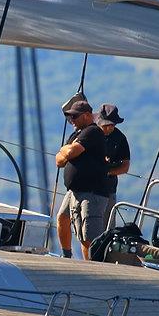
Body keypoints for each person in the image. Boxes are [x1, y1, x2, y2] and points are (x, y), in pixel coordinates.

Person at [55, 100, 109, 260]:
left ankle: (91, 266)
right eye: (69, 117)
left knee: (88, 234)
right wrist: (66, 151)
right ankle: (67, 256)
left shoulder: (92, 132)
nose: (71, 120)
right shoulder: (76, 134)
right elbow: (59, 161)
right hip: (74, 191)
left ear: (87, 116)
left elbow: (70, 152)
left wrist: (66, 150)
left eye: (75, 116)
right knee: (63, 218)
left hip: (92, 192)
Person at [96, 103, 131, 228]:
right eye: (107, 125)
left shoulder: (120, 138)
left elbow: (125, 167)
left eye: (112, 125)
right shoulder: (90, 133)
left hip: (108, 189)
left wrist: (107, 172)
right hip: (88, 187)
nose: (109, 128)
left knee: (107, 227)